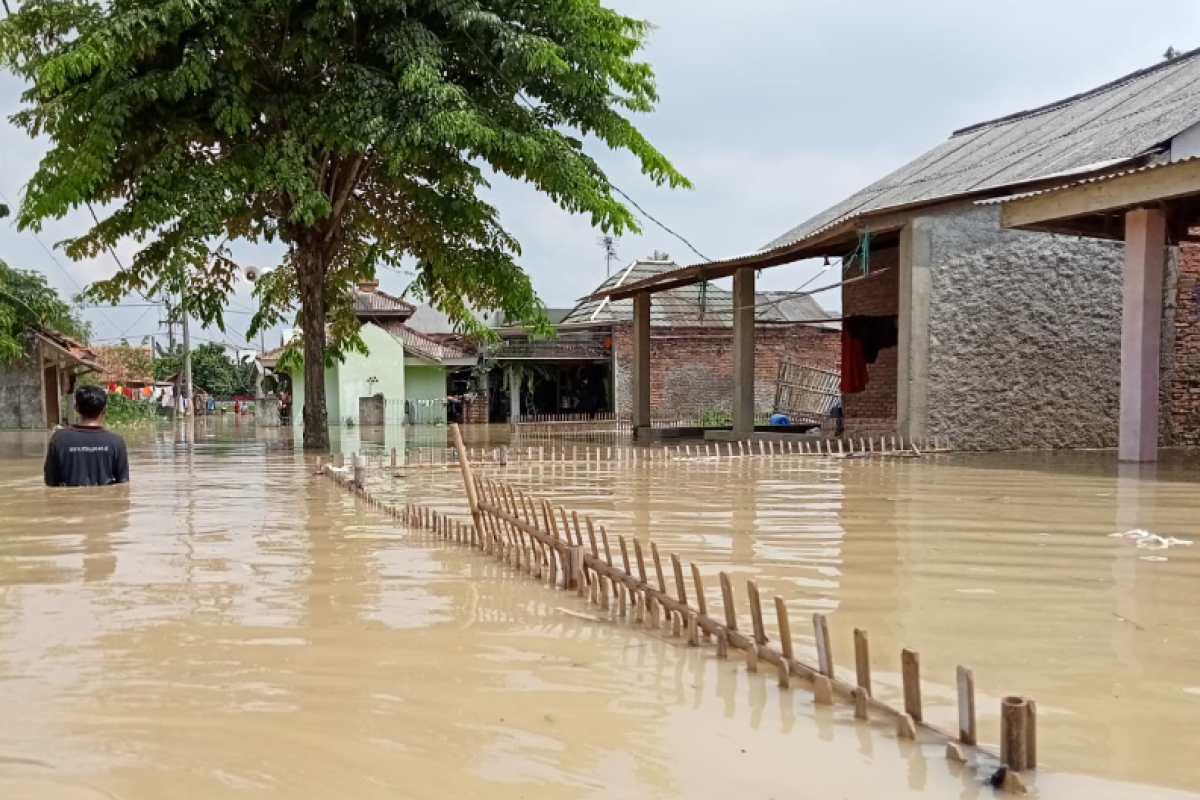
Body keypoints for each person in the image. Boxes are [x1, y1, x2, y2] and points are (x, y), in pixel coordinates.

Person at [44, 385, 130, 487]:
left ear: (76, 408)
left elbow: (50, 481)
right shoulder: (117, 442)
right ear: (104, 410)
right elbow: (123, 484)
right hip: (104, 502)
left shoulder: (59, 439)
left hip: (70, 502)